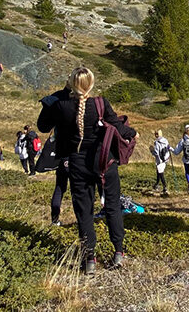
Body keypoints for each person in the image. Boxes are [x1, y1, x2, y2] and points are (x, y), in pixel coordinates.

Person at [37, 67, 137, 275]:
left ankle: (89, 258)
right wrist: (133, 132)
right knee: (112, 205)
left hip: (76, 164)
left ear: (71, 84)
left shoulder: (60, 105)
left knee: (84, 211)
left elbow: (43, 126)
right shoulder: (100, 103)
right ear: (90, 85)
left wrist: (58, 95)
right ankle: (118, 252)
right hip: (104, 162)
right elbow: (120, 129)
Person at [151, 129, 170, 194]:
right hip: (165, 159)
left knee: (160, 173)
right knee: (159, 171)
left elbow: (156, 153)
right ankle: (156, 184)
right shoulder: (166, 140)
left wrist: (152, 151)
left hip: (159, 160)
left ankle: (165, 187)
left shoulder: (157, 142)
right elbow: (168, 148)